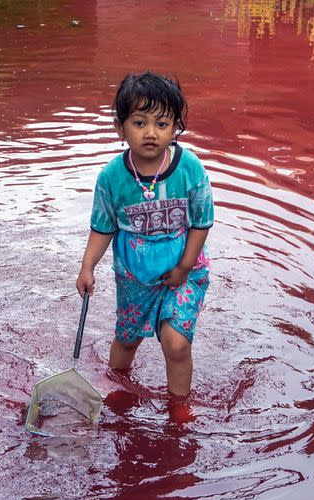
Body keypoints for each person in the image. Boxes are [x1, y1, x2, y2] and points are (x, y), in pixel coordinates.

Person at [76, 71, 213, 408]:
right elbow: (103, 227)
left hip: (183, 271)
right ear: (120, 127)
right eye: (139, 123)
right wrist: (87, 266)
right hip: (134, 275)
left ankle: (179, 409)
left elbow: (201, 222)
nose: (151, 133)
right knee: (127, 340)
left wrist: (184, 267)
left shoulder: (189, 168)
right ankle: (116, 391)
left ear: (175, 127)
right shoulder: (112, 177)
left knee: (177, 344)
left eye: (162, 123)